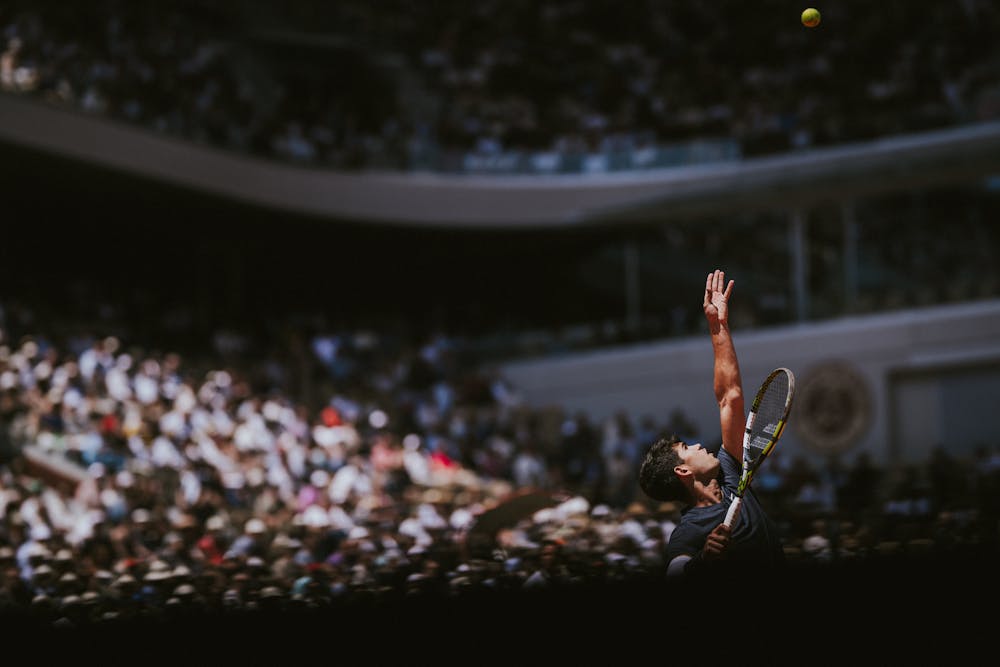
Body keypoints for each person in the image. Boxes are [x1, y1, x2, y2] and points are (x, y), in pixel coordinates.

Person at [638, 269, 784, 579]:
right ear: (682, 471)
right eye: (686, 447)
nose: (698, 444)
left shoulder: (730, 473)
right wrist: (704, 560)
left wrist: (718, 327)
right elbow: (676, 573)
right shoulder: (688, 533)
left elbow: (730, 397)